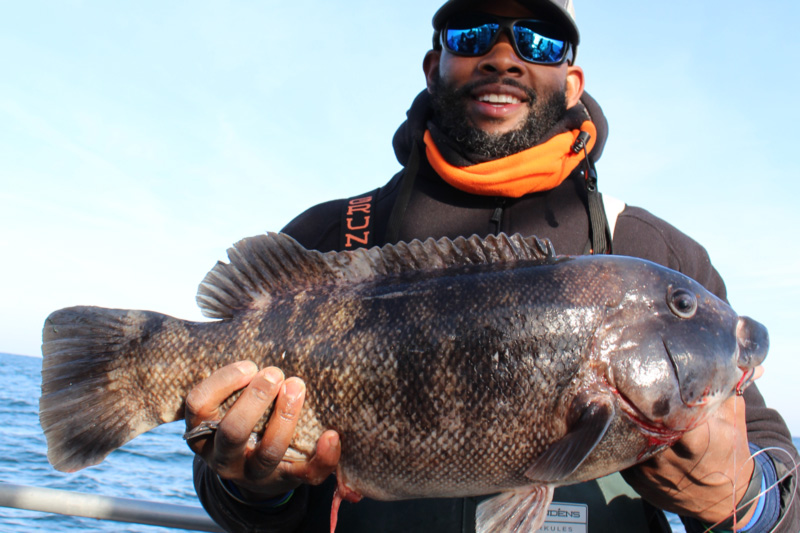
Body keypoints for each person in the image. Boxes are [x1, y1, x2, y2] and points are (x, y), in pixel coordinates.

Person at [185, 0, 800, 531]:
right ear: (435, 66)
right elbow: (226, 492)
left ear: (572, 80)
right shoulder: (331, 240)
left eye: (538, 38)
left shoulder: (652, 254)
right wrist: (253, 483)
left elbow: (782, 487)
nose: (504, 57)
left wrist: (739, 499)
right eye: (473, 33)